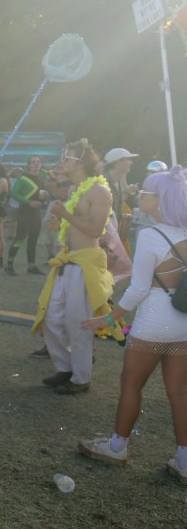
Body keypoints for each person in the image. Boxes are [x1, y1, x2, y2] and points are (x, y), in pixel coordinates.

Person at [78, 165, 187, 483]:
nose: (140, 195)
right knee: (180, 393)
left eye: (146, 192)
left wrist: (110, 317)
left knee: (131, 385)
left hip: (154, 321)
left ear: (160, 199)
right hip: (183, 322)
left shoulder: (151, 235)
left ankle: (117, 447)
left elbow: (139, 289)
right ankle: (184, 460)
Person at [32, 138, 116, 394]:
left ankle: (80, 379)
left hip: (86, 261)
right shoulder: (75, 189)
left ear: (80, 162)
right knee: (51, 316)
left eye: (66, 158)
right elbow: (76, 224)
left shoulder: (99, 191)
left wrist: (65, 215)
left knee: (78, 322)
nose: (61, 162)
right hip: (67, 259)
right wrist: (61, 223)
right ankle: (65, 367)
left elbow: (96, 229)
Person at [5, 155, 50, 276]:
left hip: (36, 212)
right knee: (19, 238)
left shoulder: (41, 177)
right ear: (29, 165)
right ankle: (9, 265)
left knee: (33, 239)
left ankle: (31, 266)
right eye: (33, 162)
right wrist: (29, 202)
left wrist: (44, 198)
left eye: (38, 161)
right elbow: (14, 193)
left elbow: (39, 194)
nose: (36, 164)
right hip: (25, 212)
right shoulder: (23, 178)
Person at [103, 147, 139, 249]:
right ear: (117, 163)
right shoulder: (102, 182)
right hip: (103, 237)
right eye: (128, 159)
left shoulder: (116, 181)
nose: (131, 162)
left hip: (112, 234)